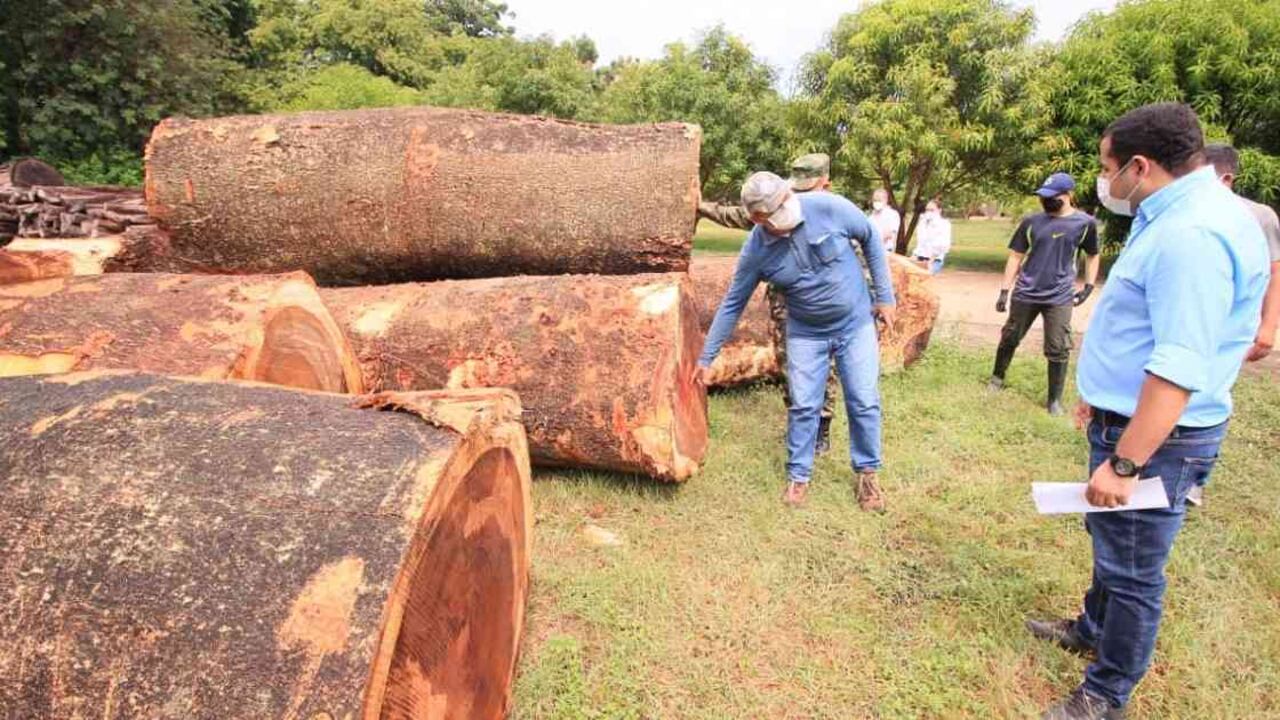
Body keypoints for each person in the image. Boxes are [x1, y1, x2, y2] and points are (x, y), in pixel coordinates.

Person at [1027, 103, 1268, 720]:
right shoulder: (1188, 212)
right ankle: (1090, 627)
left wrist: (1127, 462)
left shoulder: (1191, 235)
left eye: (1107, 167)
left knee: (1133, 567)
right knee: (1112, 538)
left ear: (1139, 164)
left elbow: (1179, 365)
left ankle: (1106, 694)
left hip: (1159, 439)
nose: (1105, 182)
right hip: (1128, 419)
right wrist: (1100, 396)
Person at [695, 171, 896, 510]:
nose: (789, 206)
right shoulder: (756, 251)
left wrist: (885, 297)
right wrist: (705, 358)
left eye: (786, 198)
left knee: (863, 400)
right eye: (777, 207)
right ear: (758, 218)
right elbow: (733, 303)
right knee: (804, 405)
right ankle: (798, 477)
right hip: (806, 334)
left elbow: (871, 239)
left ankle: (868, 475)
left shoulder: (829, 207)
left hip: (855, 325)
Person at [696, 153, 842, 455]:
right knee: (789, 365)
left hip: (826, 304)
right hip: (786, 304)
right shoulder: (778, 200)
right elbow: (743, 216)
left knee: (825, 367)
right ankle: (800, 423)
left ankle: (821, 427)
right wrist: (704, 207)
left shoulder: (833, 210)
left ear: (824, 181)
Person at [988, 172, 1101, 415]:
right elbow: (1016, 256)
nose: (1047, 201)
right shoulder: (1031, 222)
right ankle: (997, 378)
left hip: (1059, 295)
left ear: (1068, 195)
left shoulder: (1084, 224)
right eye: (1043, 196)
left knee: (1058, 347)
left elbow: (1092, 255)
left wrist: (1089, 287)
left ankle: (1054, 400)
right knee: (1010, 336)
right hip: (1026, 292)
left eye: (1052, 196)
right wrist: (1004, 291)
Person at [1203, 144, 1280, 362]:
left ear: (1227, 179)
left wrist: (1268, 327)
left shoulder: (1259, 216)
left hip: (1233, 326)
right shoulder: (1184, 212)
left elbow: (1275, 272)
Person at [911, 199, 951, 274]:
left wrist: (930, 262)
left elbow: (943, 246)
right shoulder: (923, 223)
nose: (929, 212)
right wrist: (914, 255)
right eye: (927, 210)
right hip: (920, 258)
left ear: (939, 210)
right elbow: (920, 244)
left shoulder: (944, 224)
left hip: (935, 260)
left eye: (932, 210)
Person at [870, 188, 901, 254]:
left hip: (886, 251)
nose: (877, 202)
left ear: (886, 200)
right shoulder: (871, 217)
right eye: (875, 200)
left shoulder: (892, 214)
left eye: (879, 200)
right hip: (872, 250)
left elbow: (890, 234)